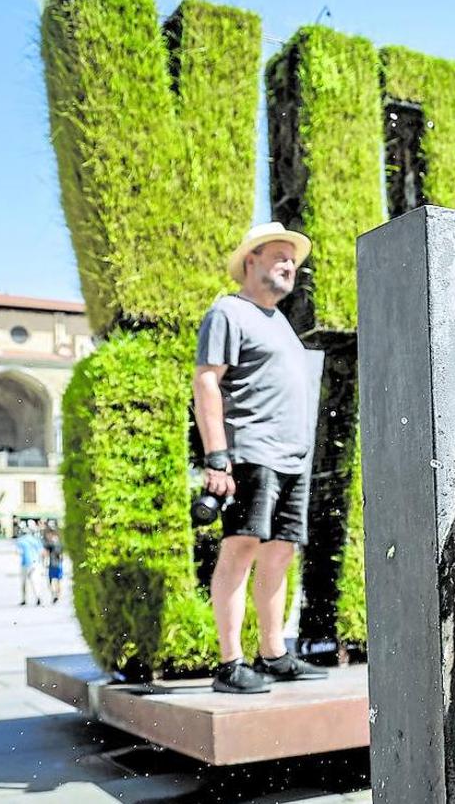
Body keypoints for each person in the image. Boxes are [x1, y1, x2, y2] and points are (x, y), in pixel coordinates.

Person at [193, 221, 326, 694]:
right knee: (242, 546)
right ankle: (230, 663)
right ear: (251, 262)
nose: (289, 265)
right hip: (252, 451)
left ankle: (272, 653)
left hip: (293, 457)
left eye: (292, 259)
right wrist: (216, 457)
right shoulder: (229, 312)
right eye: (279, 256)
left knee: (281, 551)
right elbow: (207, 381)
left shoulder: (280, 322)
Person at [14, 523, 45, 606]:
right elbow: (41, 552)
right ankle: (38, 597)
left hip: (25, 563)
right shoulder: (35, 540)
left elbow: (18, 552)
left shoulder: (20, 541)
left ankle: (24, 599)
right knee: (35, 581)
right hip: (35, 563)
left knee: (24, 582)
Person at [43, 526, 64, 603]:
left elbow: (46, 553)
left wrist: (45, 562)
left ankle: (55, 595)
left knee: (51, 582)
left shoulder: (51, 543)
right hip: (58, 564)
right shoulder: (60, 543)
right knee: (58, 581)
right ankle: (57, 596)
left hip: (53, 564)